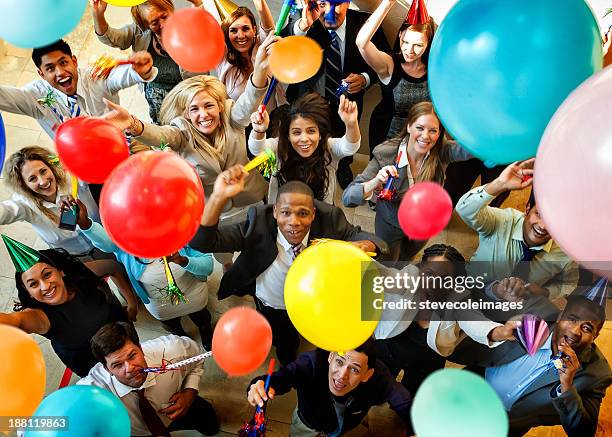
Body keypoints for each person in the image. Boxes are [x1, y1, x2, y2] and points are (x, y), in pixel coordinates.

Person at [189, 166, 387, 365]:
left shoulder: (331, 221)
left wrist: (365, 245)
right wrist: (217, 197)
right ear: (275, 212)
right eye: (285, 213)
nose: (294, 222)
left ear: (313, 214)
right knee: (283, 340)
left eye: (303, 213)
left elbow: (376, 242)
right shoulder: (257, 221)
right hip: (272, 303)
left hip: (313, 302)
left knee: (302, 332)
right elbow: (201, 243)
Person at [101, 33, 277, 226]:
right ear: (185, 114)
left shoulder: (231, 116)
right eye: (194, 109)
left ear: (219, 105)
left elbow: (250, 99)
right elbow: (159, 135)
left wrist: (260, 68)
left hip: (252, 200)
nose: (203, 114)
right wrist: (132, 123)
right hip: (216, 213)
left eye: (209, 106)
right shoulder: (180, 132)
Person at [454, 281, 611, 437]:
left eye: (587, 328)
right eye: (572, 319)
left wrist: (567, 387)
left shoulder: (597, 374)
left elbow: (583, 432)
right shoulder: (534, 310)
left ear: (595, 337)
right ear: (560, 316)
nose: (576, 331)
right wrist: (496, 290)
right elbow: (474, 294)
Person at [1, 146, 138, 320]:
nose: (42, 181)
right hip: (76, 259)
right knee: (97, 290)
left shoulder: (73, 178)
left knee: (127, 273)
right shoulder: (25, 205)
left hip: (105, 240)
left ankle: (134, 299)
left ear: (51, 167)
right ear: (24, 185)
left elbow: (104, 164)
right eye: (32, 178)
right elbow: (4, 212)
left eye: (43, 171)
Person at [70, 198, 215, 350]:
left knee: (202, 318)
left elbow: (208, 266)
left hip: (194, 296)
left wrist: (184, 261)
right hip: (160, 306)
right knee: (172, 325)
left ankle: (206, 331)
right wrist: (86, 224)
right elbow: (107, 243)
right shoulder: (127, 244)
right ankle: (181, 338)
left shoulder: (184, 231)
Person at [373, 244, 517, 394]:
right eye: (429, 275)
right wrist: (357, 258)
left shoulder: (458, 298)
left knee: (414, 400)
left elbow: (474, 321)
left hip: (426, 361)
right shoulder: (409, 277)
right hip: (389, 347)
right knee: (376, 388)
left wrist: (500, 331)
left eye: (445, 280)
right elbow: (384, 274)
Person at [343, 101, 472, 262]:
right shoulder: (386, 154)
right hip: (390, 224)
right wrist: (375, 182)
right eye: (420, 128)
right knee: (388, 261)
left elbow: (473, 149)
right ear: (409, 126)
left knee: (406, 258)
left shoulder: (441, 151)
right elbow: (348, 198)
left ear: (440, 134)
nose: (425, 136)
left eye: (433, 130)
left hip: (423, 225)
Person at [282, 0, 390, 189]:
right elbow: (280, 47)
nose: (329, 12)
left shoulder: (366, 24)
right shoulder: (305, 22)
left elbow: (387, 61)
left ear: (348, 3)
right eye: (323, 3)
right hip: (308, 102)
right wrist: (302, 26)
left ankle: (343, 166)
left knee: (344, 140)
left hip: (346, 104)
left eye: (337, 3)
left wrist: (365, 78)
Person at [0, 238, 129, 377]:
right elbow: (15, 322)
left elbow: (112, 267)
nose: (45, 286)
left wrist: (131, 302)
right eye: (33, 284)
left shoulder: (80, 276)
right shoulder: (39, 317)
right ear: (29, 293)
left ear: (60, 271)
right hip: (98, 368)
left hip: (125, 340)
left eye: (47, 274)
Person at [456, 159, 579, 300]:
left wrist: (545, 292)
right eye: (539, 214)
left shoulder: (566, 253)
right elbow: (464, 210)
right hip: (470, 294)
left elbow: (569, 283)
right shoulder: (502, 221)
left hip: (514, 314)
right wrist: (499, 184)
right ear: (527, 209)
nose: (543, 226)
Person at [246, 339, 413, 436]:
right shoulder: (311, 362)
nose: (342, 375)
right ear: (331, 357)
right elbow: (283, 377)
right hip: (306, 424)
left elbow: (405, 403)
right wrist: (259, 384)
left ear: (367, 375)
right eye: (339, 361)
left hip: (346, 428)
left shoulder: (379, 378)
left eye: (354, 369)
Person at [79, 322, 219, 436]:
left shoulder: (174, 350)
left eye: (132, 356)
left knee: (211, 426)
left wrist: (190, 391)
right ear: (107, 369)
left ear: (140, 348)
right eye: (117, 365)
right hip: (139, 433)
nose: (130, 368)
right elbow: (61, 418)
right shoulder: (91, 393)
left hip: (183, 407)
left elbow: (199, 357)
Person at [0, 38, 156, 139]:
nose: (60, 72)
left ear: (74, 61)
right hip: (83, 170)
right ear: (41, 74)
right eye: (50, 68)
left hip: (119, 147)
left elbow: (120, 77)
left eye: (63, 63)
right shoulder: (36, 96)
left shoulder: (95, 77)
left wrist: (140, 71)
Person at [91, 0, 207, 123]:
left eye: (164, 16)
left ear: (171, 10)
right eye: (154, 22)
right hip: (158, 108)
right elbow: (111, 38)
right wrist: (98, 14)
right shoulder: (139, 32)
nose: (162, 24)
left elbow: (203, 24)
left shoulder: (186, 27)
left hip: (189, 100)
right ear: (146, 26)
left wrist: (198, 3)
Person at [249, 93, 360, 204]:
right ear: (288, 135)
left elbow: (349, 147)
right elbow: (257, 149)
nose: (304, 139)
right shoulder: (279, 147)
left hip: (319, 214)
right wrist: (259, 130)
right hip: (283, 215)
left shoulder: (328, 148)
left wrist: (351, 124)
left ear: (320, 134)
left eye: (311, 131)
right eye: (296, 132)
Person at [217, 1, 286, 110]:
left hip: (271, 120)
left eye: (245, 28)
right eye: (233, 30)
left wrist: (260, 3)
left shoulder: (262, 45)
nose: (240, 35)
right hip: (238, 125)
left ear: (254, 30)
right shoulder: (223, 57)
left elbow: (269, 29)